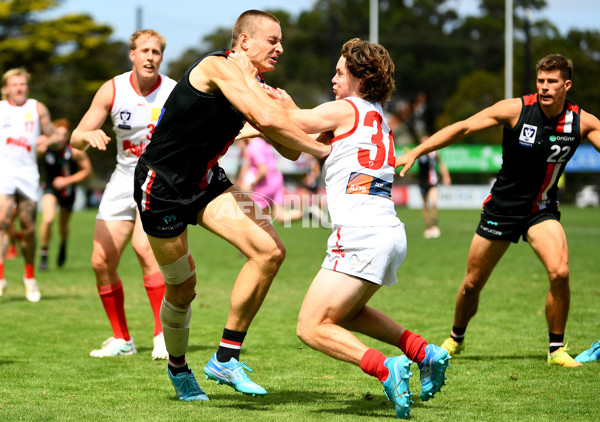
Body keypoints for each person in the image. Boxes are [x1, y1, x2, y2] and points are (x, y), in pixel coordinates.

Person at [132, 10, 331, 402]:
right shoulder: (216, 67)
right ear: (244, 41)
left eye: (280, 41)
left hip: (207, 182)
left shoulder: (258, 86)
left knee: (270, 252)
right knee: (182, 289)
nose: (280, 48)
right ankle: (178, 367)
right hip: (161, 187)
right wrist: (325, 148)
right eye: (272, 40)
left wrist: (294, 121)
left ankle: (226, 356)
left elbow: (288, 151)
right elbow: (264, 118)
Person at [279, 38, 450, 419]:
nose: (333, 78)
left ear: (358, 78)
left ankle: (383, 367)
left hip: (359, 233)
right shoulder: (377, 117)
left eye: (340, 73)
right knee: (347, 314)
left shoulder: (346, 108)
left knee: (311, 327)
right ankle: (424, 352)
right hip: (389, 231)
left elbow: (292, 123)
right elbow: (306, 139)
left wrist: (256, 100)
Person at [395, 54, 600, 367]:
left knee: (560, 272)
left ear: (567, 85)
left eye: (552, 82)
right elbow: (463, 127)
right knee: (472, 283)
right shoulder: (515, 110)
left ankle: (556, 349)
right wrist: (418, 151)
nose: (544, 87)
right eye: (540, 81)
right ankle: (456, 337)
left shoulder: (582, 122)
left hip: (541, 210)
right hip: (502, 208)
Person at [70, 29, 177, 360]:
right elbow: (75, 137)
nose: (150, 57)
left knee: (145, 250)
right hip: (121, 181)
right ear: (131, 54)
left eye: (156, 52)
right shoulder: (113, 89)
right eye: (144, 50)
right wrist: (87, 135)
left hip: (158, 182)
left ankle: (162, 336)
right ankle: (122, 339)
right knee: (101, 261)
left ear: (161, 57)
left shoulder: (173, 92)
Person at [0, 67, 61, 302]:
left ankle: (30, 277)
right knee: (3, 223)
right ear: (6, 88)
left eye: (23, 84)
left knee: (28, 226)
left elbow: (55, 135)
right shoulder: (1, 108)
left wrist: (49, 139)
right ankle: (1, 277)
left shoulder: (36, 108)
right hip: (4, 172)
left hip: (28, 174)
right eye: (14, 84)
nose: (19, 88)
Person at [37, 118, 92, 270]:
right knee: (48, 219)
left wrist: (67, 181)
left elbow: (87, 170)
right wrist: (37, 145)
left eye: (64, 134)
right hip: (49, 188)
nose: (61, 137)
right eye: (58, 134)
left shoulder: (74, 151)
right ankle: (44, 253)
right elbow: (31, 155)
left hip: (68, 190)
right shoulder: (45, 148)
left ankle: (63, 244)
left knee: (63, 225)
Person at [236, 136, 303, 224]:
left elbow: (263, 170)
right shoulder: (261, 142)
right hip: (276, 179)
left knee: (251, 215)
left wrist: (252, 183)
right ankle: (307, 213)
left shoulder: (254, 146)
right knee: (280, 216)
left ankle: (265, 234)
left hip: (265, 183)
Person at [416, 135, 451, 239]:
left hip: (433, 182)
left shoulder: (435, 152)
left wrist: (446, 176)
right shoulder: (418, 152)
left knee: (434, 203)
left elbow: (441, 163)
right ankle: (427, 227)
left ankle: (435, 225)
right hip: (422, 182)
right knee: (425, 205)